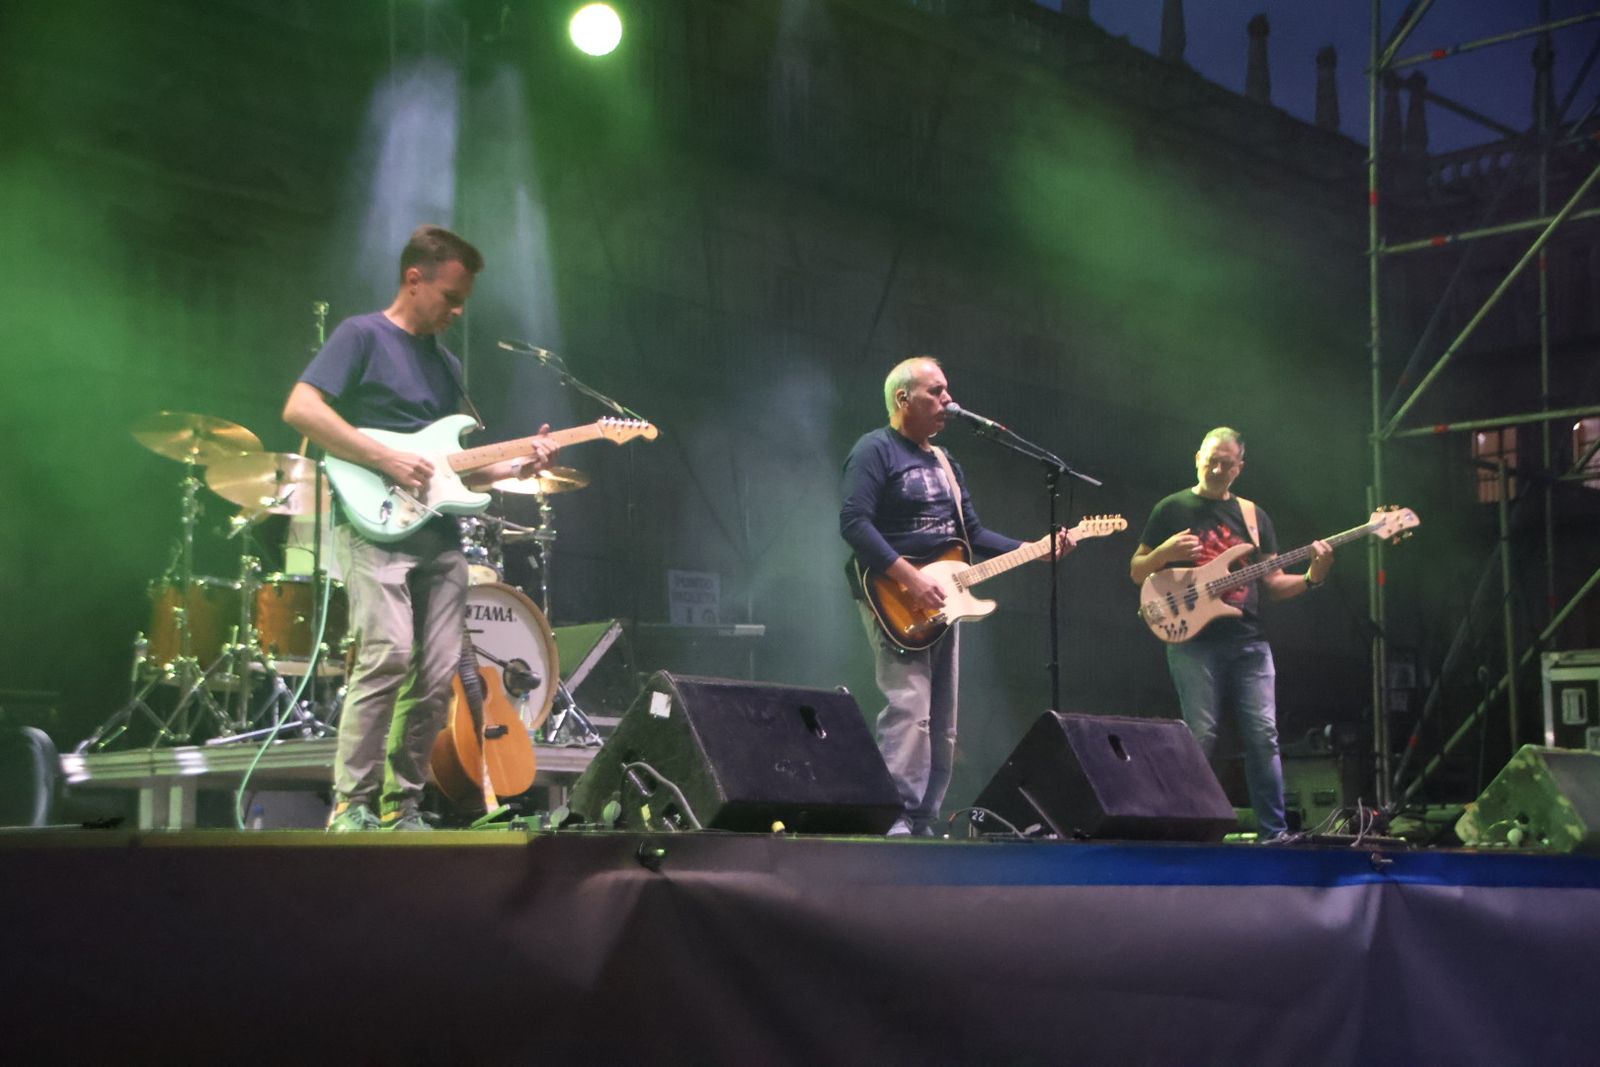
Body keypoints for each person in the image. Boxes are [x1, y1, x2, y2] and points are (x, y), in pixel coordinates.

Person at [283, 224, 557, 831]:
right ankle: (350, 805)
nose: (457, 313)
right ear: (415, 279)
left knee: (437, 680)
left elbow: (451, 474)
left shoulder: (446, 364)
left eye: (463, 303)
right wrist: (383, 458)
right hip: (372, 526)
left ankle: (399, 805)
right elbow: (301, 408)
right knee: (384, 657)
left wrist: (516, 466)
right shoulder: (361, 335)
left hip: (438, 538)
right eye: (450, 299)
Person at [840, 356, 1071, 837]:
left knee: (942, 717)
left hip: (946, 597)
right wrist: (908, 577)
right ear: (904, 398)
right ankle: (896, 817)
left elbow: (974, 533)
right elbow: (854, 523)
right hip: (894, 594)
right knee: (909, 706)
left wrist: (1031, 550)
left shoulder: (946, 462)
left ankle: (924, 817)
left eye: (947, 392)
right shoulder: (875, 450)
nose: (949, 401)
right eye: (937, 391)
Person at [1128, 427, 1332, 839]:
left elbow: (1272, 583)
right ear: (1197, 457)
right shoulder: (1172, 507)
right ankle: (1191, 827)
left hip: (1249, 641)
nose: (1218, 468)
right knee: (1200, 734)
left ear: (1239, 468)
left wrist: (1312, 577)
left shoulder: (1255, 518)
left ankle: (1274, 834)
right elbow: (1137, 571)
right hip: (1193, 642)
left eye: (1227, 463)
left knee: (1264, 736)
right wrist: (1165, 553)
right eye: (1212, 459)